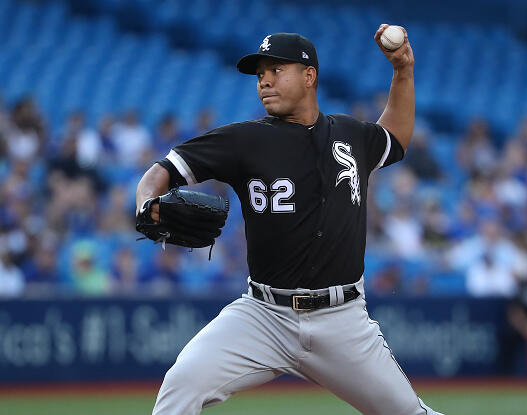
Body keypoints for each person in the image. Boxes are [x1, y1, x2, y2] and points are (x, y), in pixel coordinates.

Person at [137, 27, 442, 415]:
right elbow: (162, 170)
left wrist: (403, 73)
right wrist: (145, 203)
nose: (264, 80)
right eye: (260, 73)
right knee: (181, 386)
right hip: (263, 315)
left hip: (341, 320)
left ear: (309, 76)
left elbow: (395, 136)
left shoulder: (350, 135)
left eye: (276, 69)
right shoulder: (243, 140)